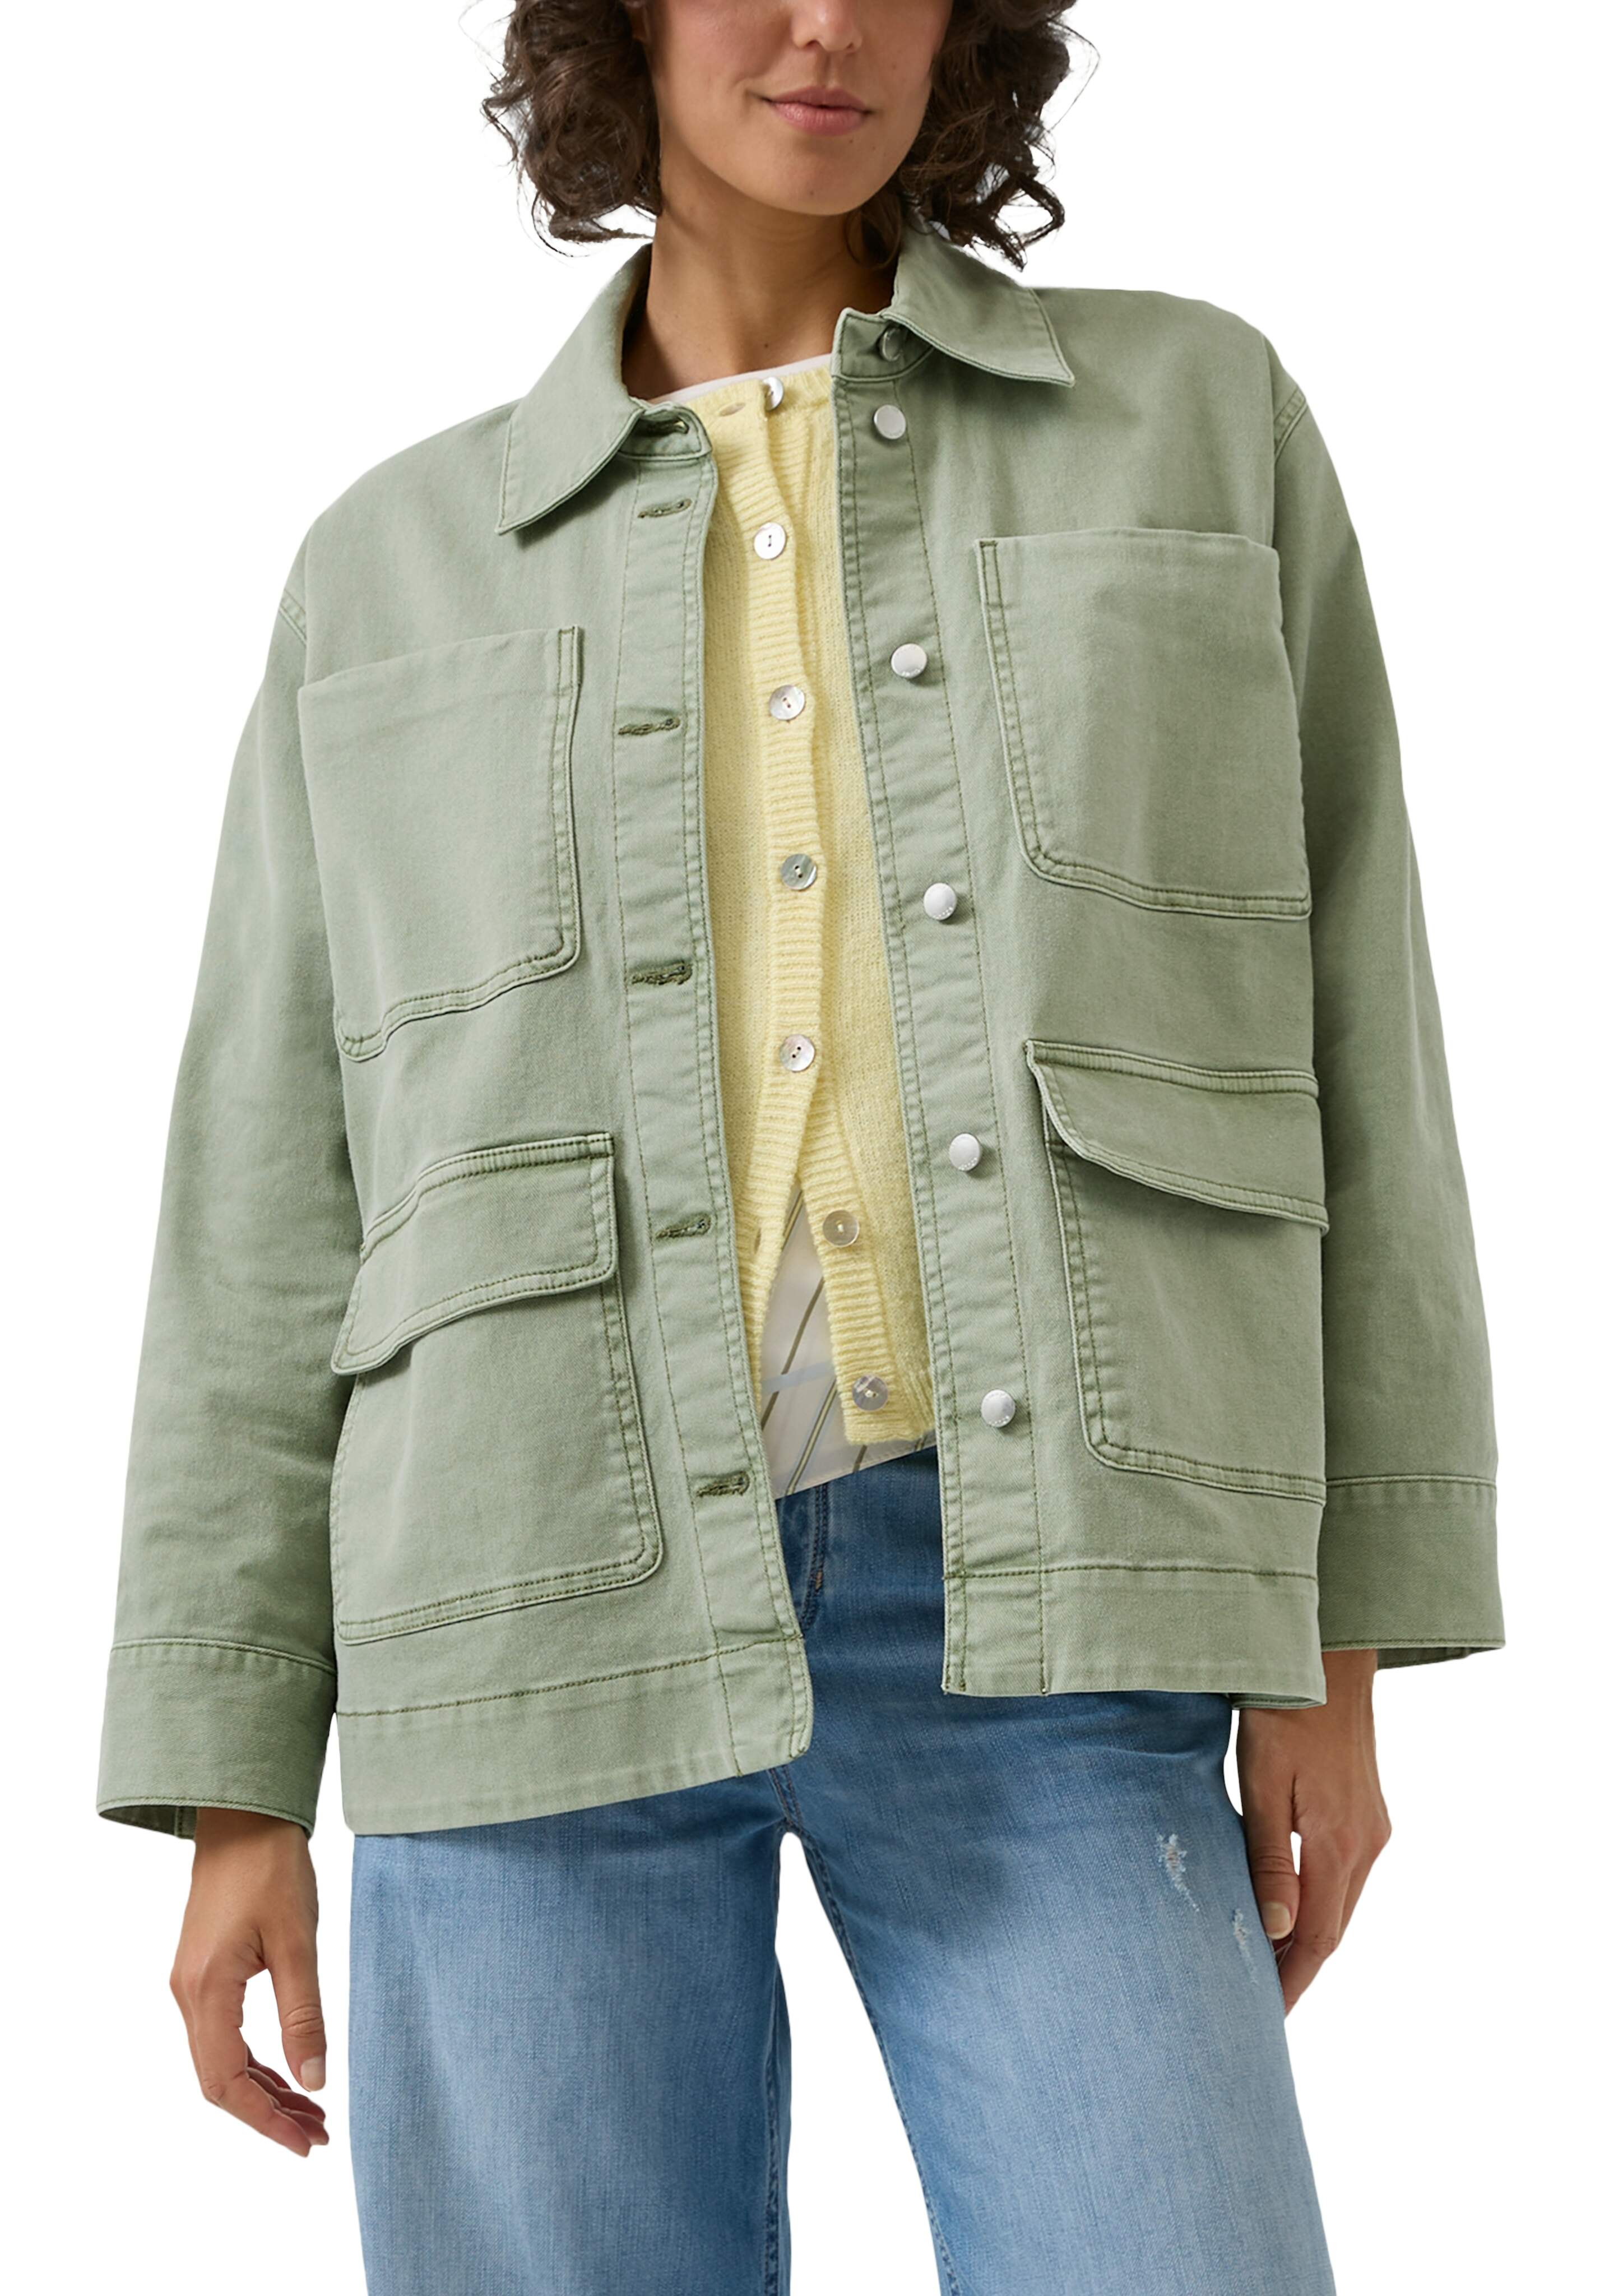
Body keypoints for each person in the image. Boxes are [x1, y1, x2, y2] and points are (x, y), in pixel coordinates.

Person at [95, 4, 1503, 2290]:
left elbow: (1359, 1028)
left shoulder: (1192, 420)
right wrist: (234, 1776)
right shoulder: (390, 565)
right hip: (521, 1598)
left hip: (1048, 1605)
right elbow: (264, 1195)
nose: (828, 23)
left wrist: (1329, 1653)